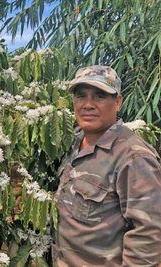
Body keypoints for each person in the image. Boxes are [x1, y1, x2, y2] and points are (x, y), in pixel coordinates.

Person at [52, 65, 161, 267]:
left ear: (118, 101)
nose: (88, 104)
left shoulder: (133, 157)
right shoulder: (76, 141)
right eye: (81, 96)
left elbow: (148, 235)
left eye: (100, 96)